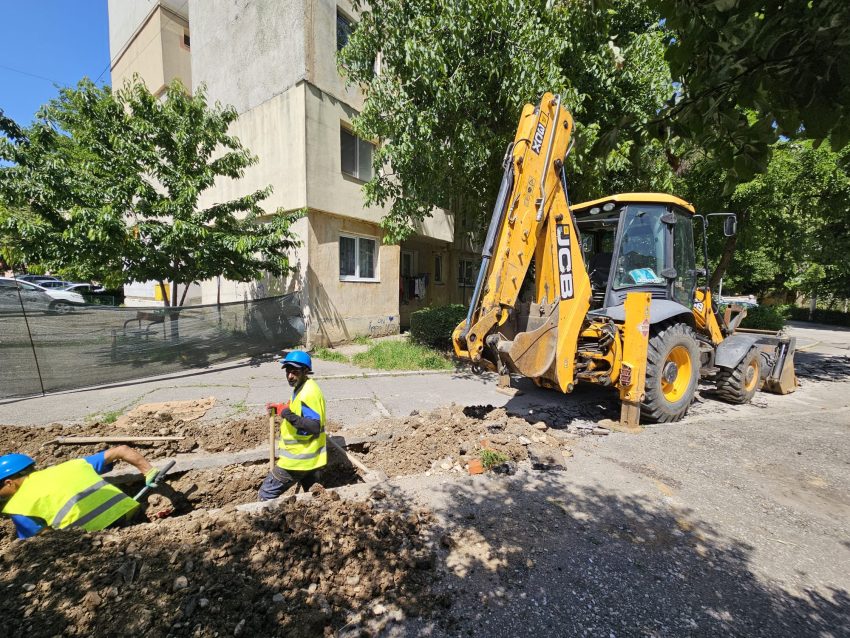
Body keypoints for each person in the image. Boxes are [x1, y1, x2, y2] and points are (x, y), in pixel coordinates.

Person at [0, 446, 161, 539]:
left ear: (9, 482)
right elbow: (121, 450)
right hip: (131, 513)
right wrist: (148, 471)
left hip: (98, 540)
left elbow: (46, 542)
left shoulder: (18, 507)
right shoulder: (72, 466)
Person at [259, 350, 327, 500]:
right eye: (288, 371)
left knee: (266, 494)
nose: (290, 376)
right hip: (310, 457)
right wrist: (281, 407)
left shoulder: (308, 393)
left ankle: (270, 517)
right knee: (314, 496)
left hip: (298, 460)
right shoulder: (303, 386)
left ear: (305, 371)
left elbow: (314, 427)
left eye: (295, 371)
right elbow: (300, 411)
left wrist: (286, 413)